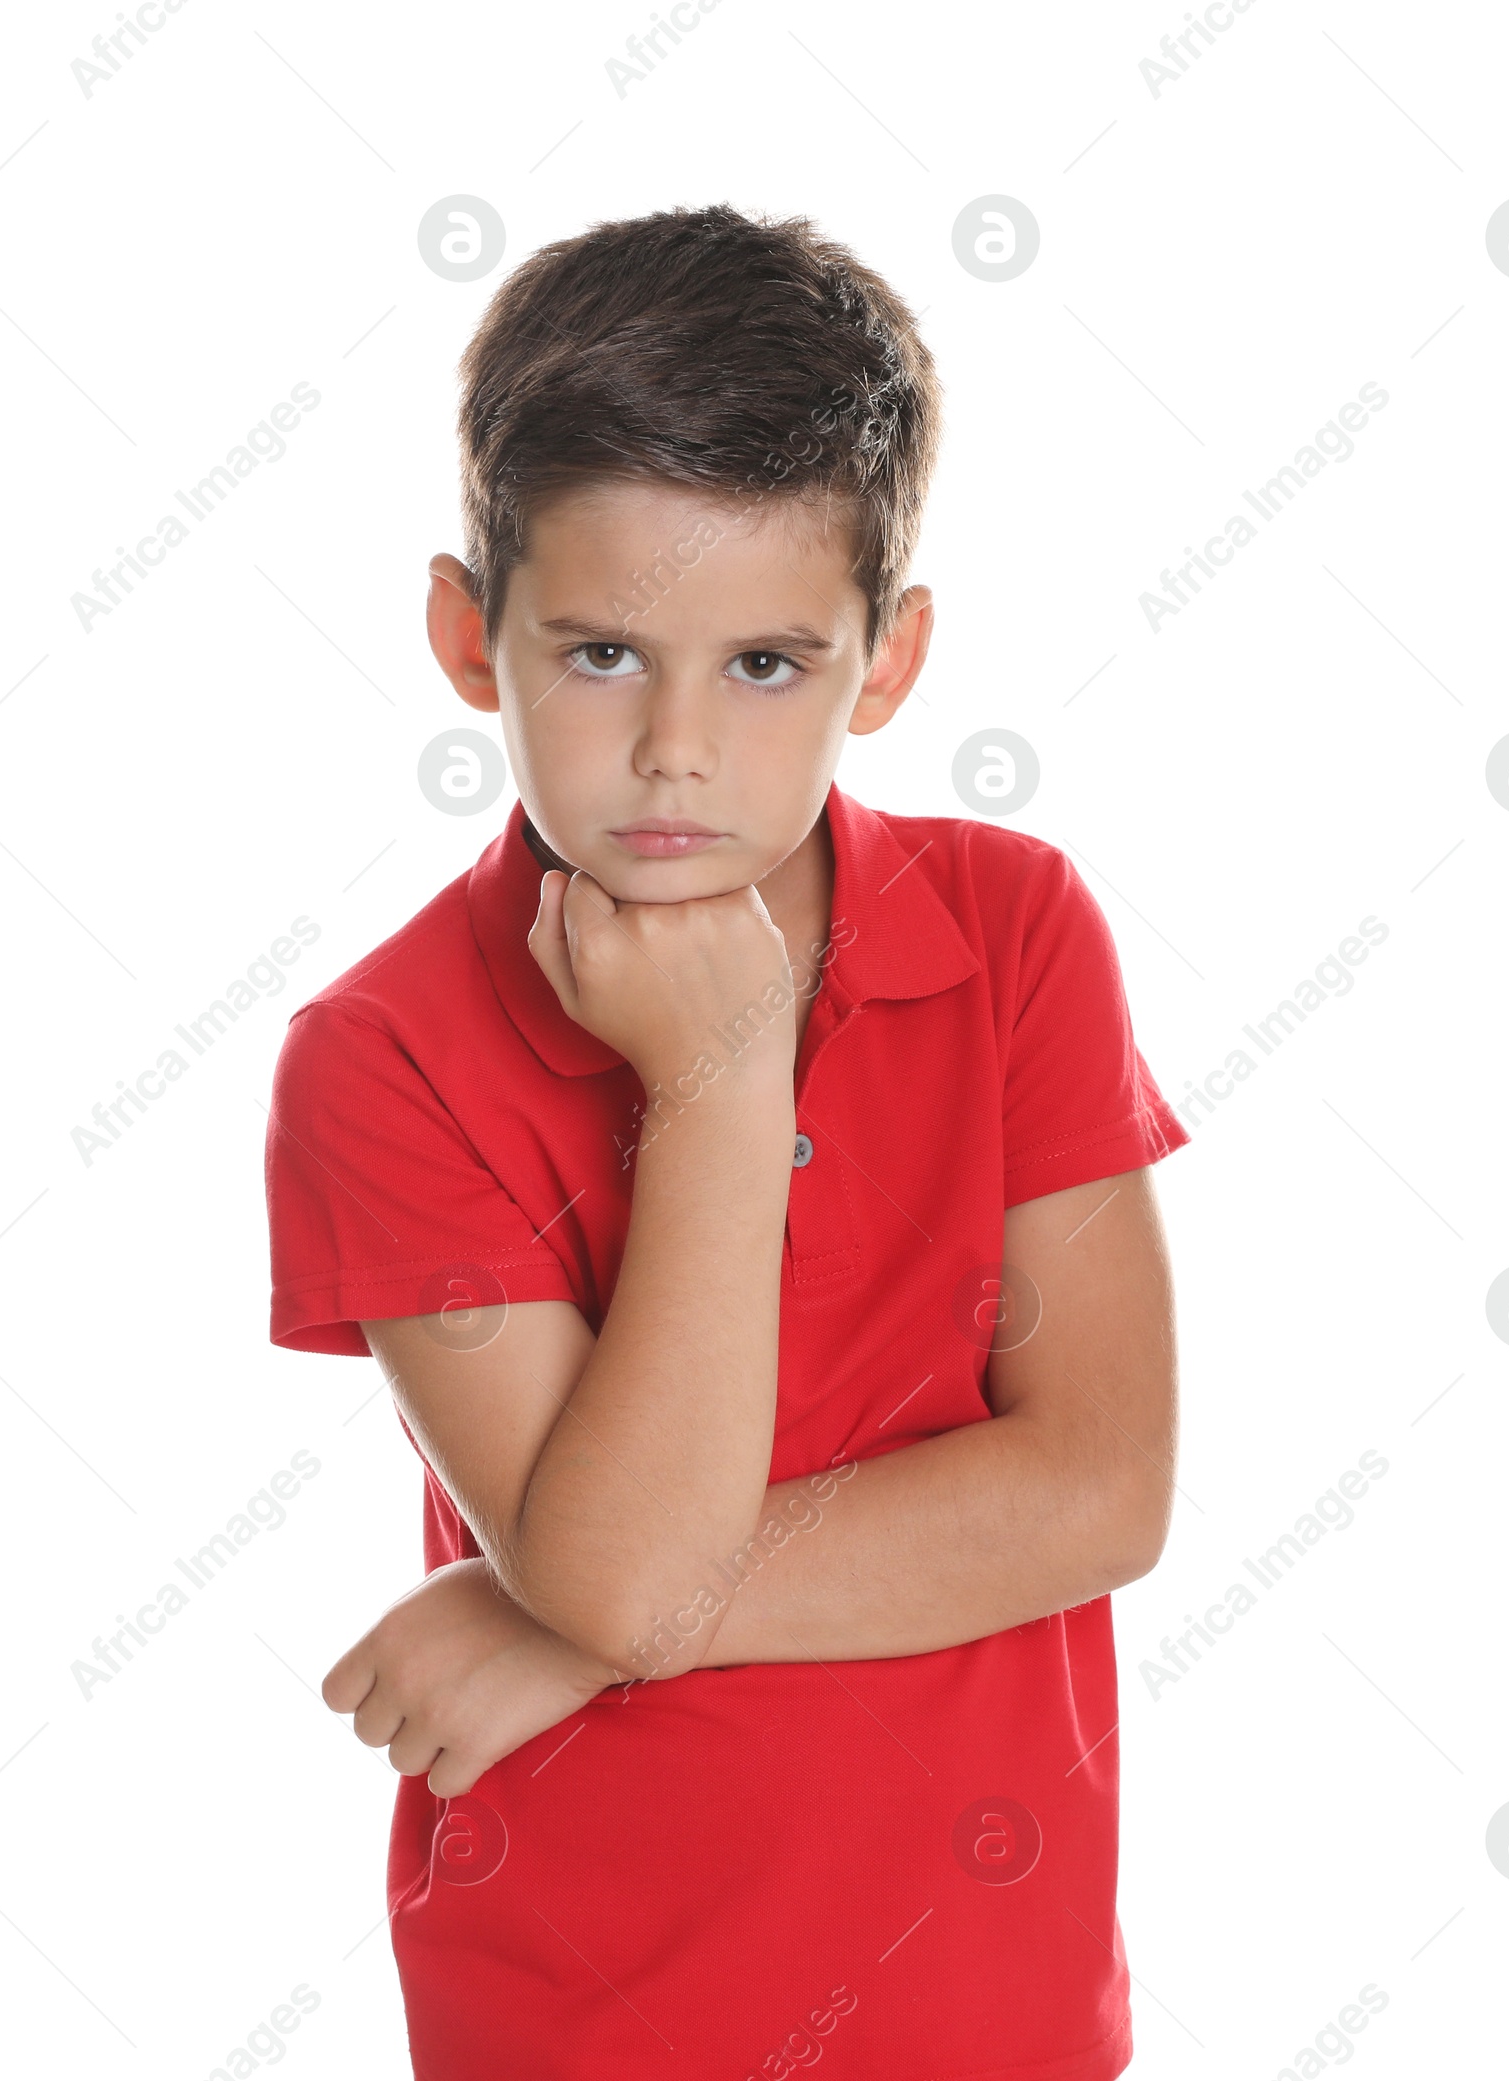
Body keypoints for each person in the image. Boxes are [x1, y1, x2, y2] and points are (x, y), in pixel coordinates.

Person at [263, 201, 1190, 2081]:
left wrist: (564, 1619)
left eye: (766, 665)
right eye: (603, 653)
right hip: (584, 2018)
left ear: (892, 657)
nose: (677, 750)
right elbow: (625, 1572)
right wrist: (723, 1079)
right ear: (468, 635)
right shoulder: (381, 1053)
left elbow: (1102, 1487)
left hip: (990, 2014)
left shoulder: (1014, 933)